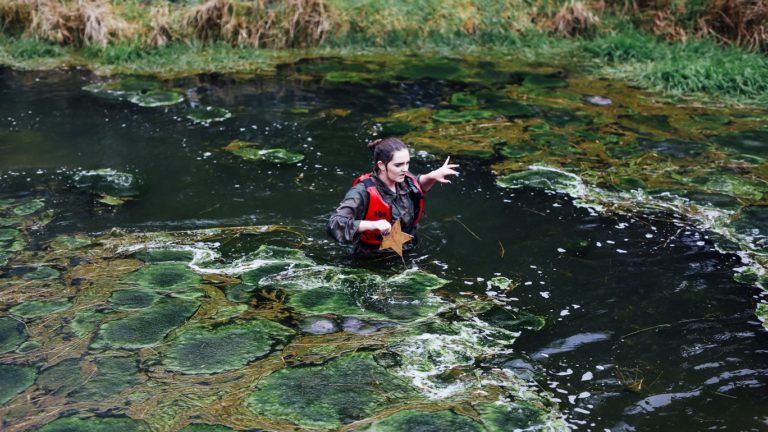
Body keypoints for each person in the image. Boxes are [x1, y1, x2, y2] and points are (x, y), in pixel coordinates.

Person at [327, 137, 459, 254]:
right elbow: (335, 224)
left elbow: (417, 186)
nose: (405, 169)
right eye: (398, 165)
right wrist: (373, 225)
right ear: (381, 165)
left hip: (407, 248)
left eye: (407, 163)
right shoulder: (362, 192)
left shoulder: (404, 179)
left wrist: (432, 176)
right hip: (372, 258)